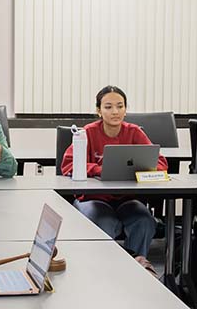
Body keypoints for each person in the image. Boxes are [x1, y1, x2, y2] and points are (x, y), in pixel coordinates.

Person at [60, 86, 167, 273]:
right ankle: (104, 271)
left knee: (145, 221)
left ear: (126, 109)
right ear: (98, 110)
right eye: (108, 107)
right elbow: (68, 165)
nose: (115, 111)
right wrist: (100, 170)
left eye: (120, 106)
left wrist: (136, 171)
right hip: (94, 198)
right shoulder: (87, 132)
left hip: (127, 198)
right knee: (104, 222)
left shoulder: (134, 132)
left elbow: (160, 163)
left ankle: (136, 271)